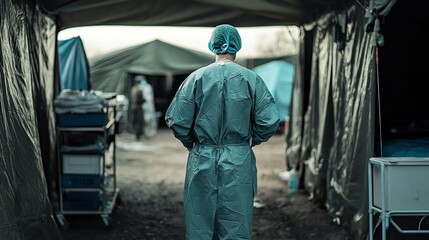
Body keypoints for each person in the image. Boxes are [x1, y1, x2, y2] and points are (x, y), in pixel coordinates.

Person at [165, 24, 280, 239]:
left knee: (200, 220)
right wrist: (249, 140)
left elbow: (177, 119)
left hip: (202, 156)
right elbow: (269, 120)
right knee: (236, 220)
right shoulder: (251, 79)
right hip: (238, 157)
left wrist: (194, 142)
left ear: (213, 47)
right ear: (237, 47)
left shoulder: (196, 78)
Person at [130, 75, 145, 140]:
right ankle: (138, 135)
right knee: (139, 121)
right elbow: (140, 99)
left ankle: (136, 134)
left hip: (133, 107)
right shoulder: (139, 90)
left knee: (135, 121)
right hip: (138, 107)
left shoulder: (132, 89)